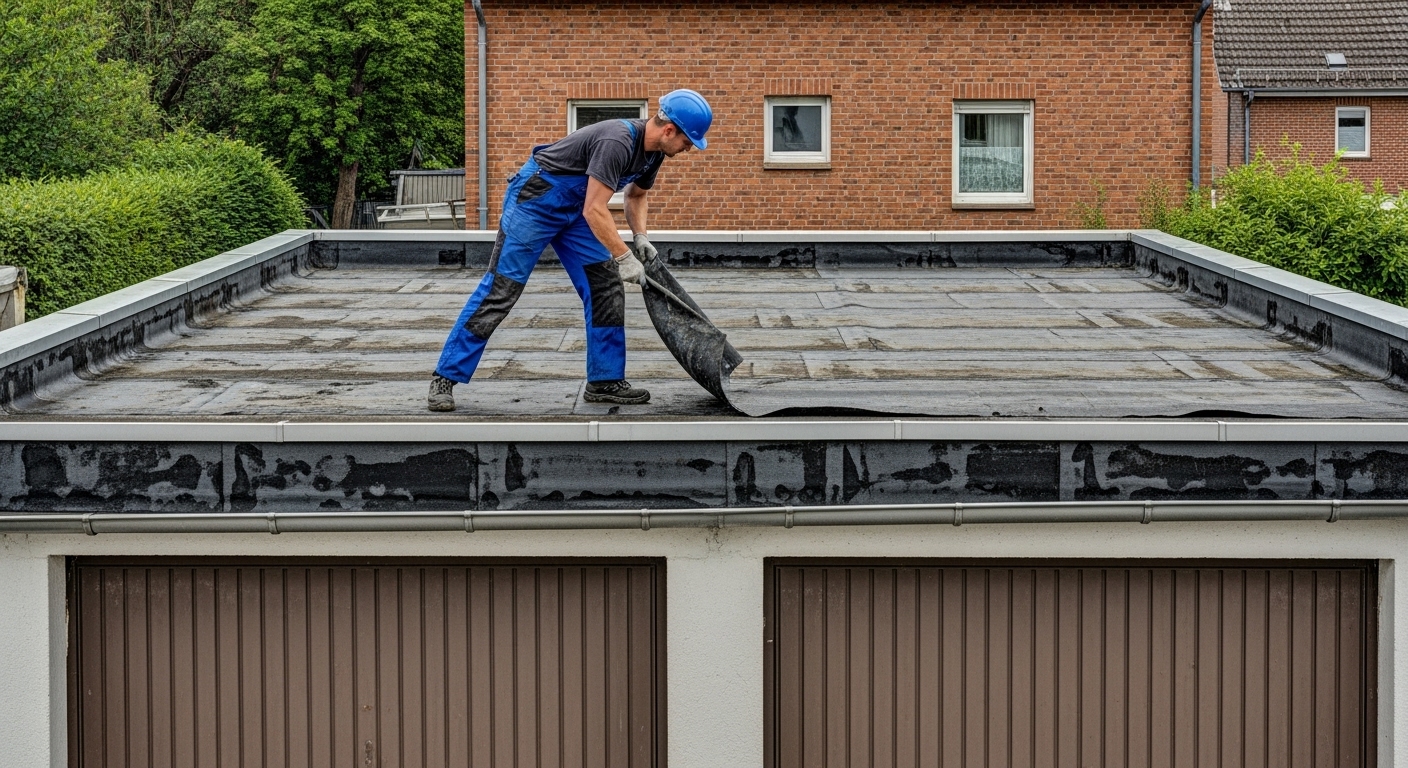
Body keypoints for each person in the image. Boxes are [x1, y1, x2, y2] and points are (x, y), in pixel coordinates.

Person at [427, 89, 713, 412]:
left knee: (604, 284)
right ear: (669, 130)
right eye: (688, 141)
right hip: (536, 200)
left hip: (575, 208)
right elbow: (596, 209)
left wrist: (641, 236)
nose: (689, 148)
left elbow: (635, 197)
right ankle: (445, 376)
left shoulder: (654, 154)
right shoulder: (617, 141)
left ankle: (605, 380)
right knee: (501, 289)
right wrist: (623, 256)